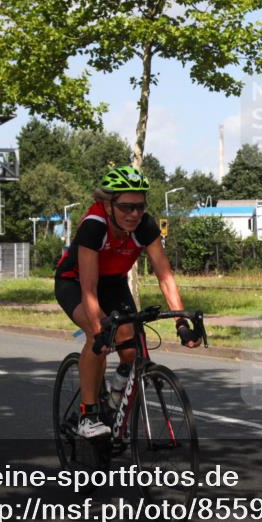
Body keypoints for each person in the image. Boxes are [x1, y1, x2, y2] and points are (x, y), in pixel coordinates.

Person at [54, 165, 200, 438]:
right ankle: (88, 415)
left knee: (132, 351)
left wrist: (181, 321)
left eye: (139, 206)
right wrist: (99, 328)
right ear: (108, 204)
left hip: (114, 283)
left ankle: (113, 402)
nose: (134, 214)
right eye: (126, 207)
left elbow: (165, 276)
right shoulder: (94, 225)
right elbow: (89, 288)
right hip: (74, 282)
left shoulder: (144, 225)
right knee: (97, 336)